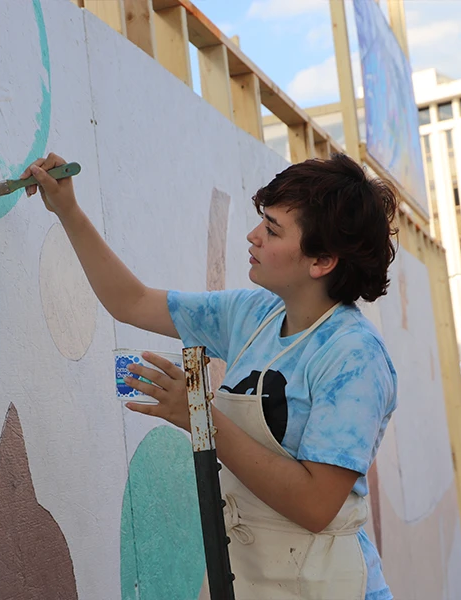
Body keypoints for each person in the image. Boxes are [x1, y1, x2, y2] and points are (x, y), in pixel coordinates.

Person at [23, 151, 399, 600]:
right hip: (247, 577)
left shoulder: (354, 356)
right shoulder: (253, 313)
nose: (253, 235)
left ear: (322, 261)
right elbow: (133, 301)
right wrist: (68, 210)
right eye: (263, 220)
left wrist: (200, 416)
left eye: (273, 229)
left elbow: (315, 506)